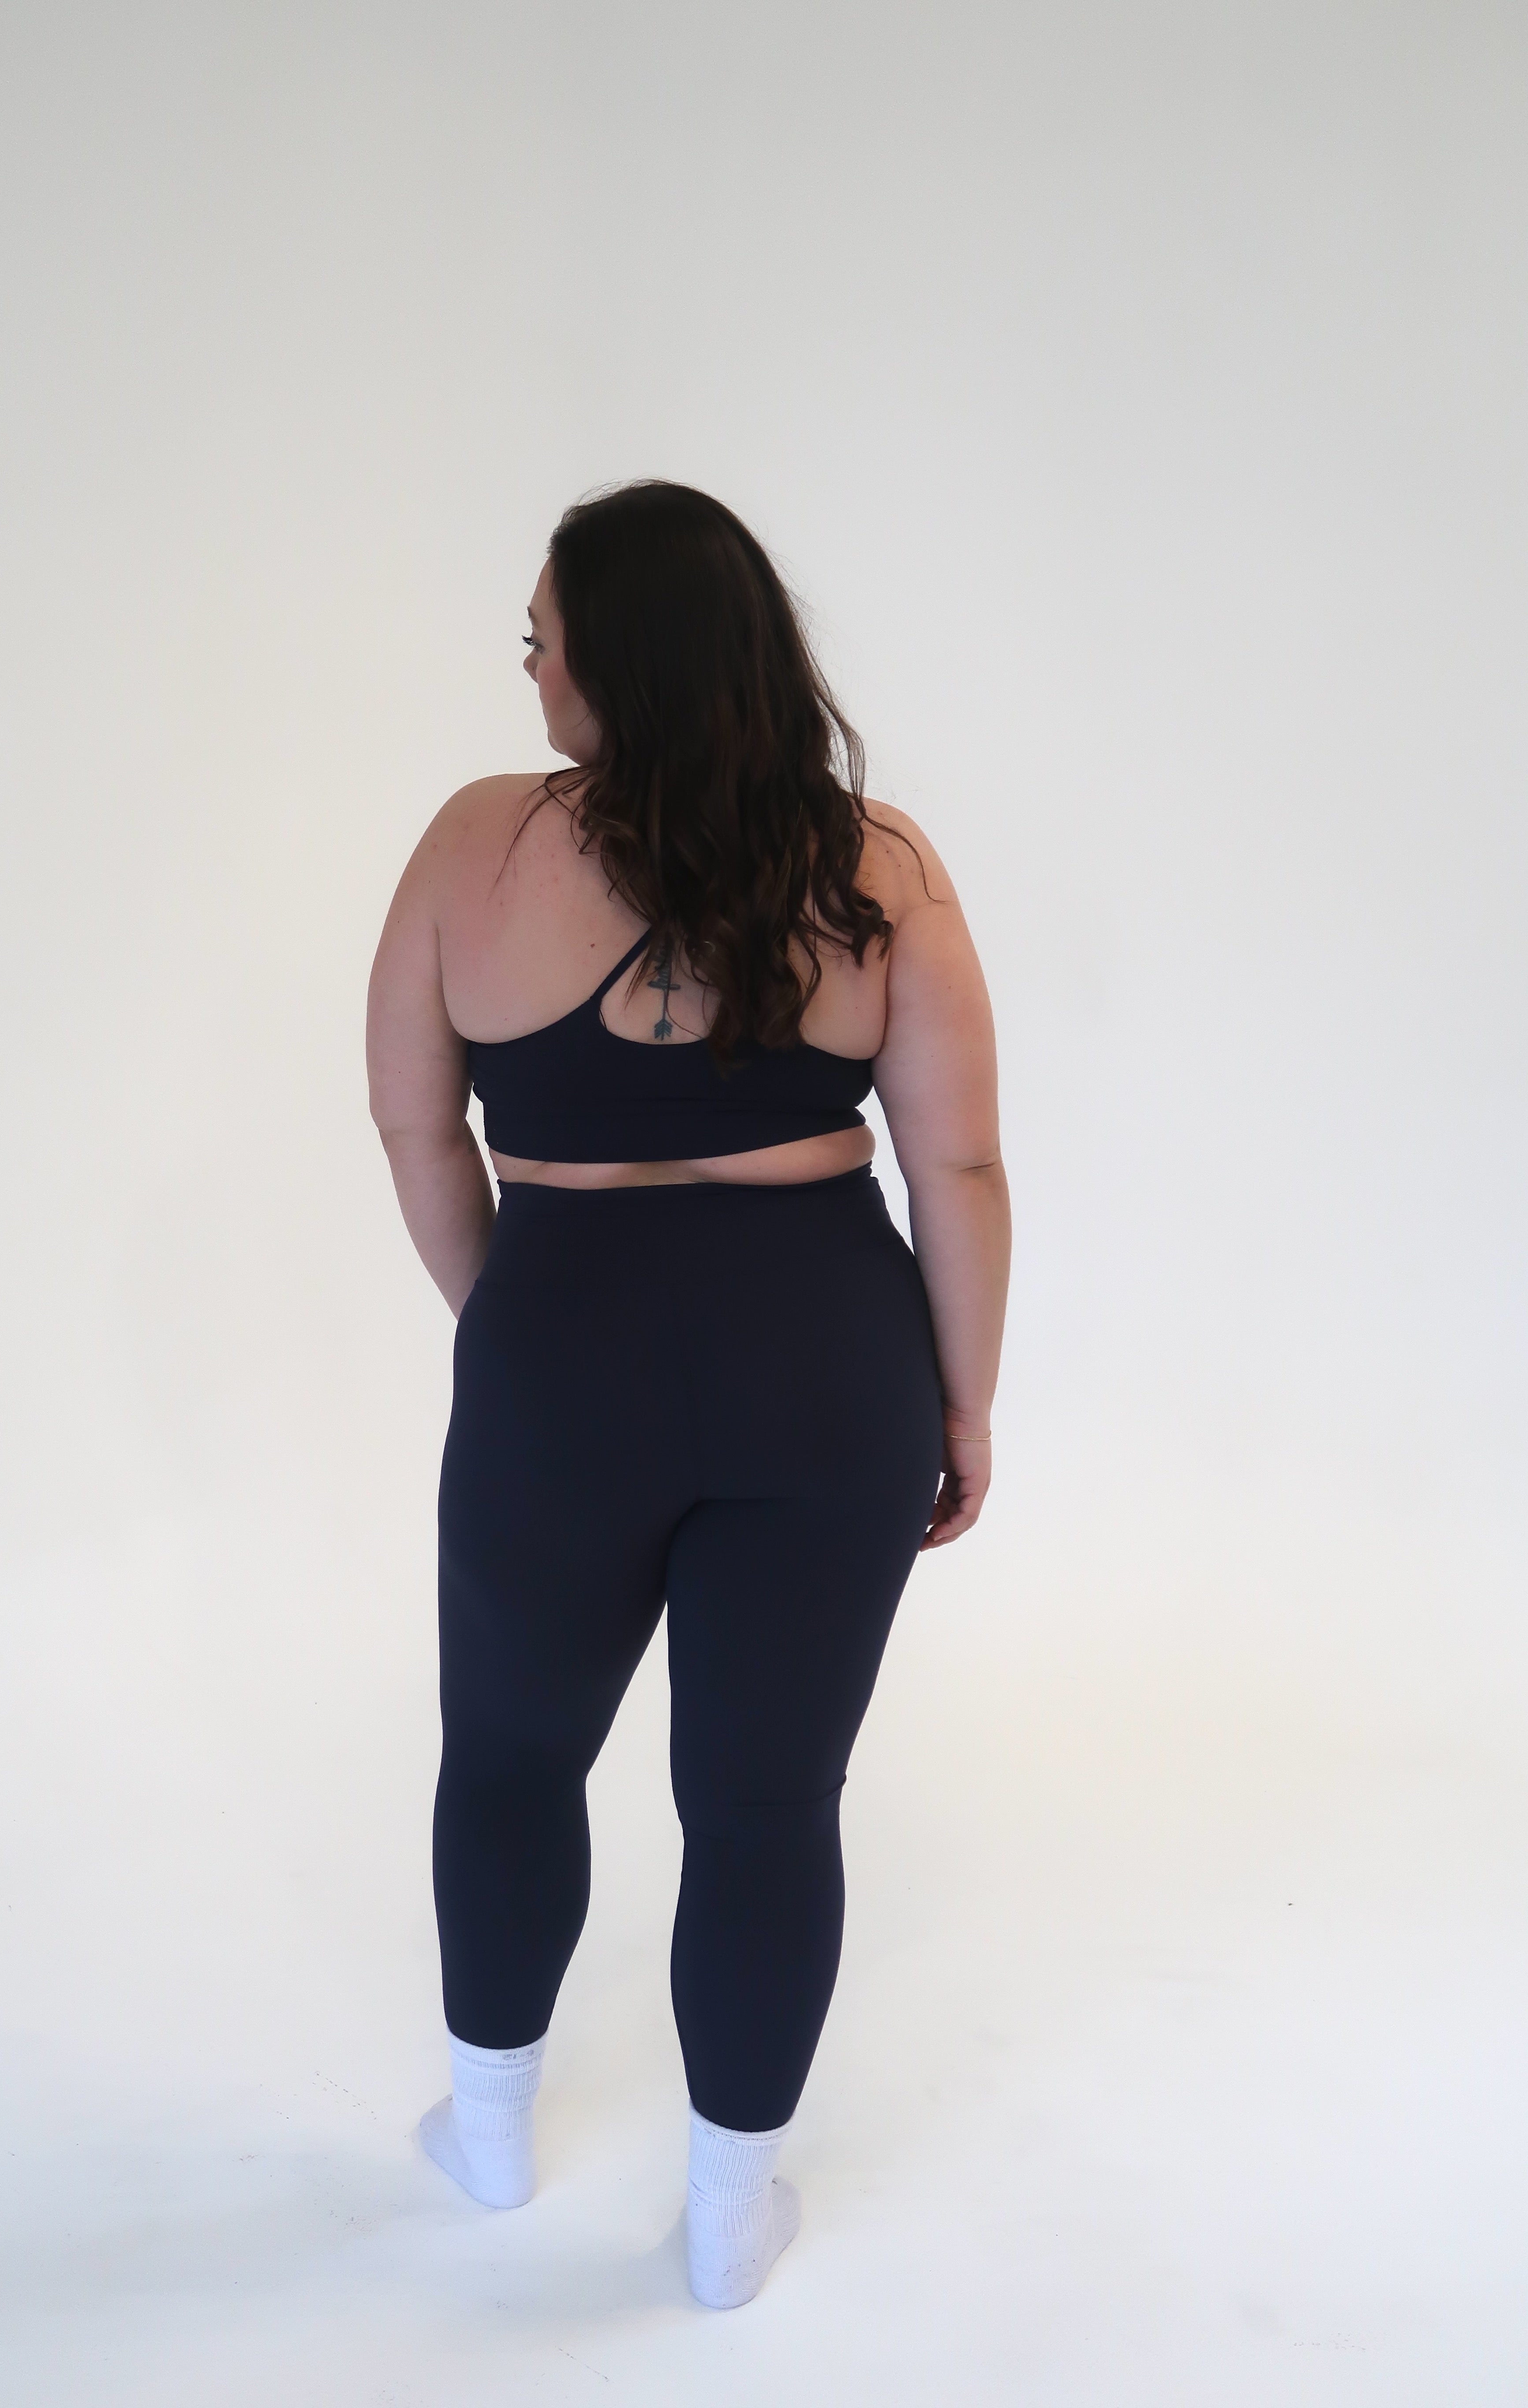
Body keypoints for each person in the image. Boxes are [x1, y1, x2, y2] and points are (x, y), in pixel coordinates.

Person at [366, 480, 1010, 2309]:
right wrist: (963, 1406)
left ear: (618, 659)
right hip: (828, 1369)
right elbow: (959, 1170)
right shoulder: (877, 866)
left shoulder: (473, 848)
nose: (529, 665)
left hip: (561, 1356)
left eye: (543, 637)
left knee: (509, 1754)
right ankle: (730, 2220)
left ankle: (491, 2133)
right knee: (764, 1802)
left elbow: (416, 1129)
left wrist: (518, 1330)